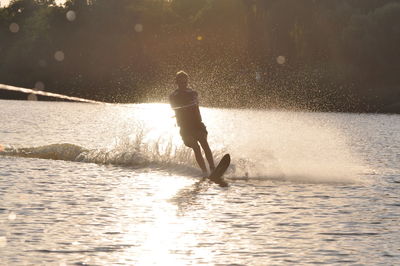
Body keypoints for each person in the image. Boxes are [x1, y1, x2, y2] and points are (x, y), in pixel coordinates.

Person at [169, 71, 215, 176]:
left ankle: (213, 168)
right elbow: (173, 106)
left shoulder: (193, 93)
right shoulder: (173, 95)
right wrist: (183, 106)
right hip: (185, 128)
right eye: (181, 83)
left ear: (187, 82)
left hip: (197, 125)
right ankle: (204, 171)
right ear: (177, 83)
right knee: (196, 147)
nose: (183, 85)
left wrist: (191, 103)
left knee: (204, 143)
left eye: (185, 82)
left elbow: (195, 99)